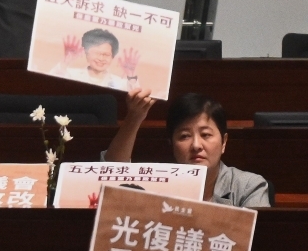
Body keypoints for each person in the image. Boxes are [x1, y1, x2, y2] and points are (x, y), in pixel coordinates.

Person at [105, 90, 271, 208]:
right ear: (171, 143)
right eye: (184, 136)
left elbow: (260, 246)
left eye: (206, 135)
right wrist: (134, 117)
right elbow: (111, 174)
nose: (196, 145)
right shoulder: (155, 183)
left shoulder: (249, 186)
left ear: (224, 142)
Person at [50, 28, 141, 91]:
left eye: (106, 55)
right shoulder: (71, 75)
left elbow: (136, 101)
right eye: (97, 53)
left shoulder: (120, 83)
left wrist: (131, 75)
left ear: (112, 57)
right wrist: (65, 62)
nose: (101, 58)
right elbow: (52, 85)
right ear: (86, 53)